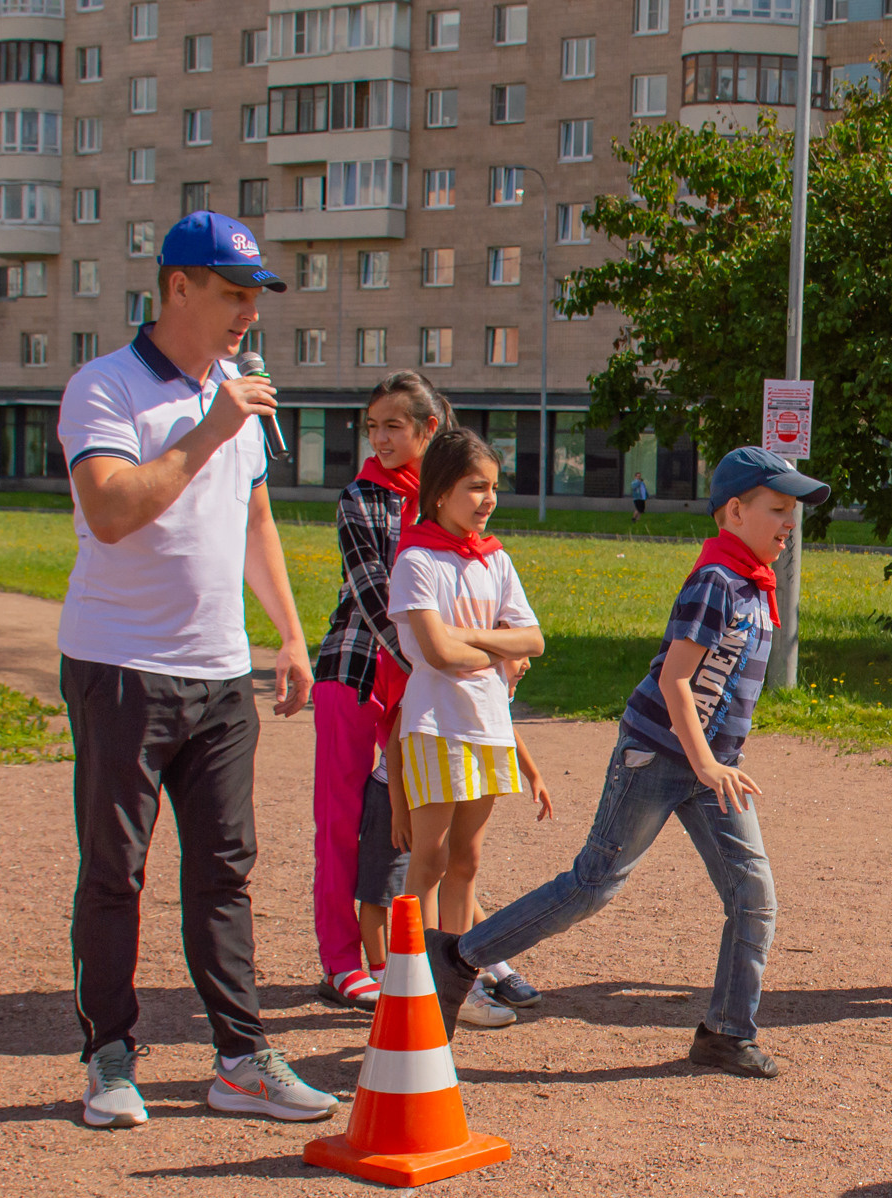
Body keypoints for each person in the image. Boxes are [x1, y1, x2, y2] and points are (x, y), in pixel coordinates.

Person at [424, 446, 827, 1078]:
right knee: (592, 886)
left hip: (706, 765)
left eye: (792, 513)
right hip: (658, 757)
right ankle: (457, 957)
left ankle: (726, 1032)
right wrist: (707, 763)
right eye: (777, 509)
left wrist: (715, 763)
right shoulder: (716, 583)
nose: (788, 524)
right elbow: (675, 683)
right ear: (733, 512)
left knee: (753, 897)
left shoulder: (752, 586)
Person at [55, 210, 331, 1130]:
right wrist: (208, 429)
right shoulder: (106, 387)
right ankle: (109, 1058)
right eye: (234, 294)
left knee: (224, 869)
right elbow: (109, 512)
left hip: (219, 676)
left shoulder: (236, 394)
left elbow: (254, 522)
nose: (249, 313)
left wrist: (289, 636)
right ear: (178, 286)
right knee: (115, 871)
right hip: (120, 665)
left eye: (255, 296)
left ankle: (241, 1059)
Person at [386, 429, 549, 1031]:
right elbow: (436, 654)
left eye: (493, 488)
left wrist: (476, 638)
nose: (488, 499)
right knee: (425, 862)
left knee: (467, 862)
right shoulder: (416, 561)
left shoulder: (496, 559)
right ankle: (411, 983)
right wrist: (493, 647)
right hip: (436, 726)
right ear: (439, 493)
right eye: (475, 487)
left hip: (486, 724)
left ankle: (459, 980)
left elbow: (532, 640)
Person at [313, 370, 444, 1012]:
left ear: (429, 429)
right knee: (340, 823)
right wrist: (431, 665)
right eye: (373, 427)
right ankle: (341, 961)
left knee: (434, 822)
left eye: (394, 425)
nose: (381, 438)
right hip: (357, 672)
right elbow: (373, 598)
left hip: (424, 682)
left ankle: (444, 949)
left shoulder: (448, 496)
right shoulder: (361, 499)